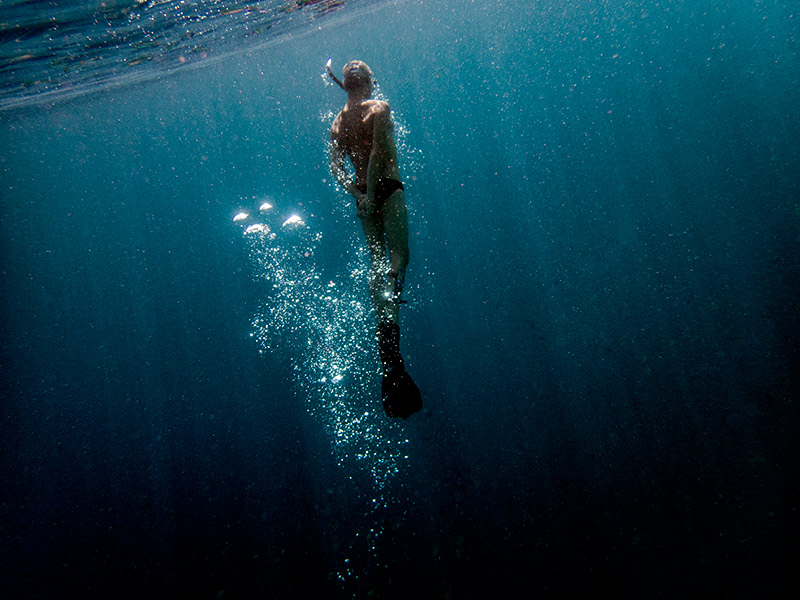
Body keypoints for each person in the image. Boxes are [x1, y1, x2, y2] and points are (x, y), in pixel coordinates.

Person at [329, 60, 421, 419]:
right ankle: (391, 342)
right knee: (399, 258)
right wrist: (367, 191)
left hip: (365, 194)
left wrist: (355, 190)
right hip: (385, 187)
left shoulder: (336, 122)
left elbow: (336, 166)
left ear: (347, 84)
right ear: (370, 82)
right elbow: (381, 153)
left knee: (376, 262)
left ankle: (387, 349)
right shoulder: (380, 107)